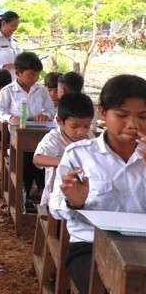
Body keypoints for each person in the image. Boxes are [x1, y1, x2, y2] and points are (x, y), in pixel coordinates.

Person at [49, 74, 146, 294]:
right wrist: (74, 202)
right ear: (102, 112)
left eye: (143, 116)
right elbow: (54, 207)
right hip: (89, 245)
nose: (133, 124)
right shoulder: (79, 154)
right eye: (122, 115)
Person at [0, 52, 55, 210]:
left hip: (39, 134)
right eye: (31, 74)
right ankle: (25, 195)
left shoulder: (41, 90)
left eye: (37, 75)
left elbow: (51, 110)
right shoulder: (8, 91)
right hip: (17, 135)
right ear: (18, 73)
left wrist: (45, 115)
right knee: (27, 158)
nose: (35, 78)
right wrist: (10, 117)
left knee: (46, 154)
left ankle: (42, 193)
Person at [33, 92, 95, 207]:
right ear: (60, 122)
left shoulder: (89, 137)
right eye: (74, 126)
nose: (81, 132)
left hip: (84, 195)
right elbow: (37, 159)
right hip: (55, 198)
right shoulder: (54, 138)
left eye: (86, 126)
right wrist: (66, 162)